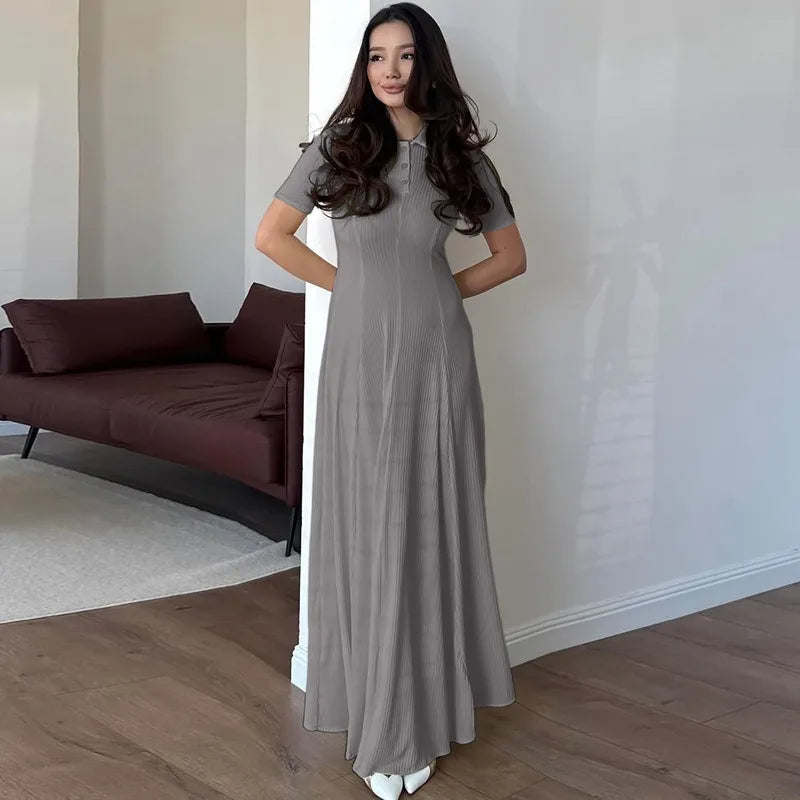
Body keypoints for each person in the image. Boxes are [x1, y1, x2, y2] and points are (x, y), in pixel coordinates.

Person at [255, 3, 526, 798]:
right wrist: (360, 290)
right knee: (370, 528)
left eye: (406, 56)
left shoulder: (457, 158)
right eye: (377, 55)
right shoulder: (340, 147)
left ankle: (423, 715)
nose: (391, 70)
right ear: (364, 66)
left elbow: (511, 256)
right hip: (358, 361)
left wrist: (434, 292)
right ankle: (383, 719)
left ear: (428, 65)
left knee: (430, 522)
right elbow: (272, 236)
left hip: (440, 358)